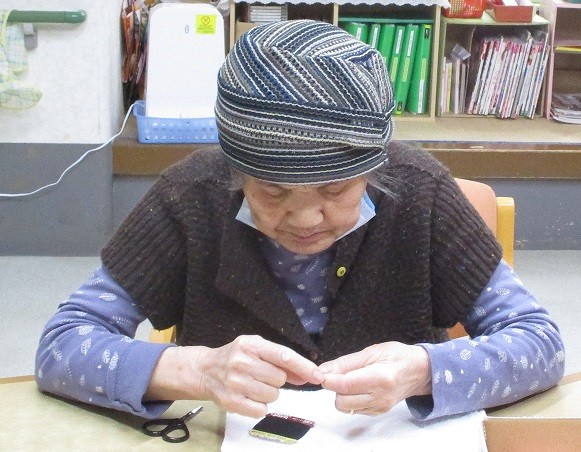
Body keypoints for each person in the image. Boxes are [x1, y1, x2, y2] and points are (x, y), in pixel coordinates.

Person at [36, 19, 565, 422]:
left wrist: (424, 371)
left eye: (336, 189)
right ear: (236, 172)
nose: (307, 217)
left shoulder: (421, 193)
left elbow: (540, 343)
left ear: (373, 170)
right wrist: (197, 370)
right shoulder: (189, 196)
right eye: (272, 191)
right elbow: (62, 344)